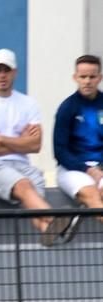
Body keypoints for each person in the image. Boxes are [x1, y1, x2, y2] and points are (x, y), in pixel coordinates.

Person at [0, 48, 79, 246]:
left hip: (22, 166)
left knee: (31, 198)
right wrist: (20, 142)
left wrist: (1, 139)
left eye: (6, 70)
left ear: (15, 72)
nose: (2, 75)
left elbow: (35, 145)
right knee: (25, 186)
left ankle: (47, 231)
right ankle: (56, 221)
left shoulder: (28, 104)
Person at [53, 54, 103, 222]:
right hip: (73, 169)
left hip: (101, 167)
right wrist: (88, 170)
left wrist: (100, 169)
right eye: (83, 77)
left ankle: (77, 215)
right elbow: (60, 151)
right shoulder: (67, 108)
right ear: (75, 78)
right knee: (93, 196)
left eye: (92, 76)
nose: (87, 81)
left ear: (99, 78)